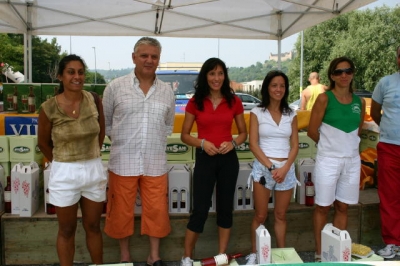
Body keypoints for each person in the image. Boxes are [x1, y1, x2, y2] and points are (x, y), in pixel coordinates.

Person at [103, 37, 175, 265]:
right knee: (120, 212)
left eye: (154, 56)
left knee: (157, 211)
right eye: (144, 55)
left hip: (155, 163)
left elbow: (168, 126)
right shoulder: (115, 87)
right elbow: (105, 124)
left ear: (159, 60)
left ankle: (154, 256)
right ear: (134, 57)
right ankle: (125, 257)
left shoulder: (167, 91)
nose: (149, 60)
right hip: (122, 162)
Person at [38, 54, 107, 266]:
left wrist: (88, 156)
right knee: (67, 230)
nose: (77, 76)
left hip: (93, 169)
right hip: (64, 172)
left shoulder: (94, 100)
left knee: (94, 227)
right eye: (71, 72)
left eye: (80, 72)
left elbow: (101, 133)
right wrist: (61, 161)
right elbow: (43, 143)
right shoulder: (48, 107)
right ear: (60, 76)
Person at [180, 57, 247, 266]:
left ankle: (221, 257)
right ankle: (187, 258)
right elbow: (184, 135)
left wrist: (233, 143)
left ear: (225, 76)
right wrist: (202, 143)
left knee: (225, 209)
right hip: (205, 159)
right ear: (205, 76)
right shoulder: (195, 102)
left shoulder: (234, 101)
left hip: (228, 160)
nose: (216, 78)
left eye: (220, 74)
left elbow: (243, 133)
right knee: (199, 209)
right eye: (212, 74)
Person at [308, 57, 365, 262]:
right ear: (332, 75)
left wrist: (346, 148)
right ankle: (320, 252)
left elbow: (357, 133)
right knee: (323, 206)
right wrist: (330, 146)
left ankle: (337, 251)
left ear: (352, 73)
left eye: (348, 71)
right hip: (328, 160)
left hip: (351, 160)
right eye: (339, 72)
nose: (344, 75)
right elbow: (312, 131)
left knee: (343, 206)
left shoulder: (360, 101)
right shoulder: (324, 98)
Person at [245, 70, 299, 265]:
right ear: (267, 88)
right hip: (263, 169)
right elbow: (253, 144)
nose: (278, 89)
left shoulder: (291, 113)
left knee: (281, 215)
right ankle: (254, 253)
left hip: (286, 170)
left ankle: (281, 254)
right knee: (260, 215)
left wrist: (284, 169)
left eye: (282, 86)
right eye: (274, 85)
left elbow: (295, 146)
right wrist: (271, 168)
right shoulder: (256, 112)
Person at [370, 45, 400, 259]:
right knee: (390, 196)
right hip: (390, 146)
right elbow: (374, 112)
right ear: (397, 59)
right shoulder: (386, 82)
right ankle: (392, 242)